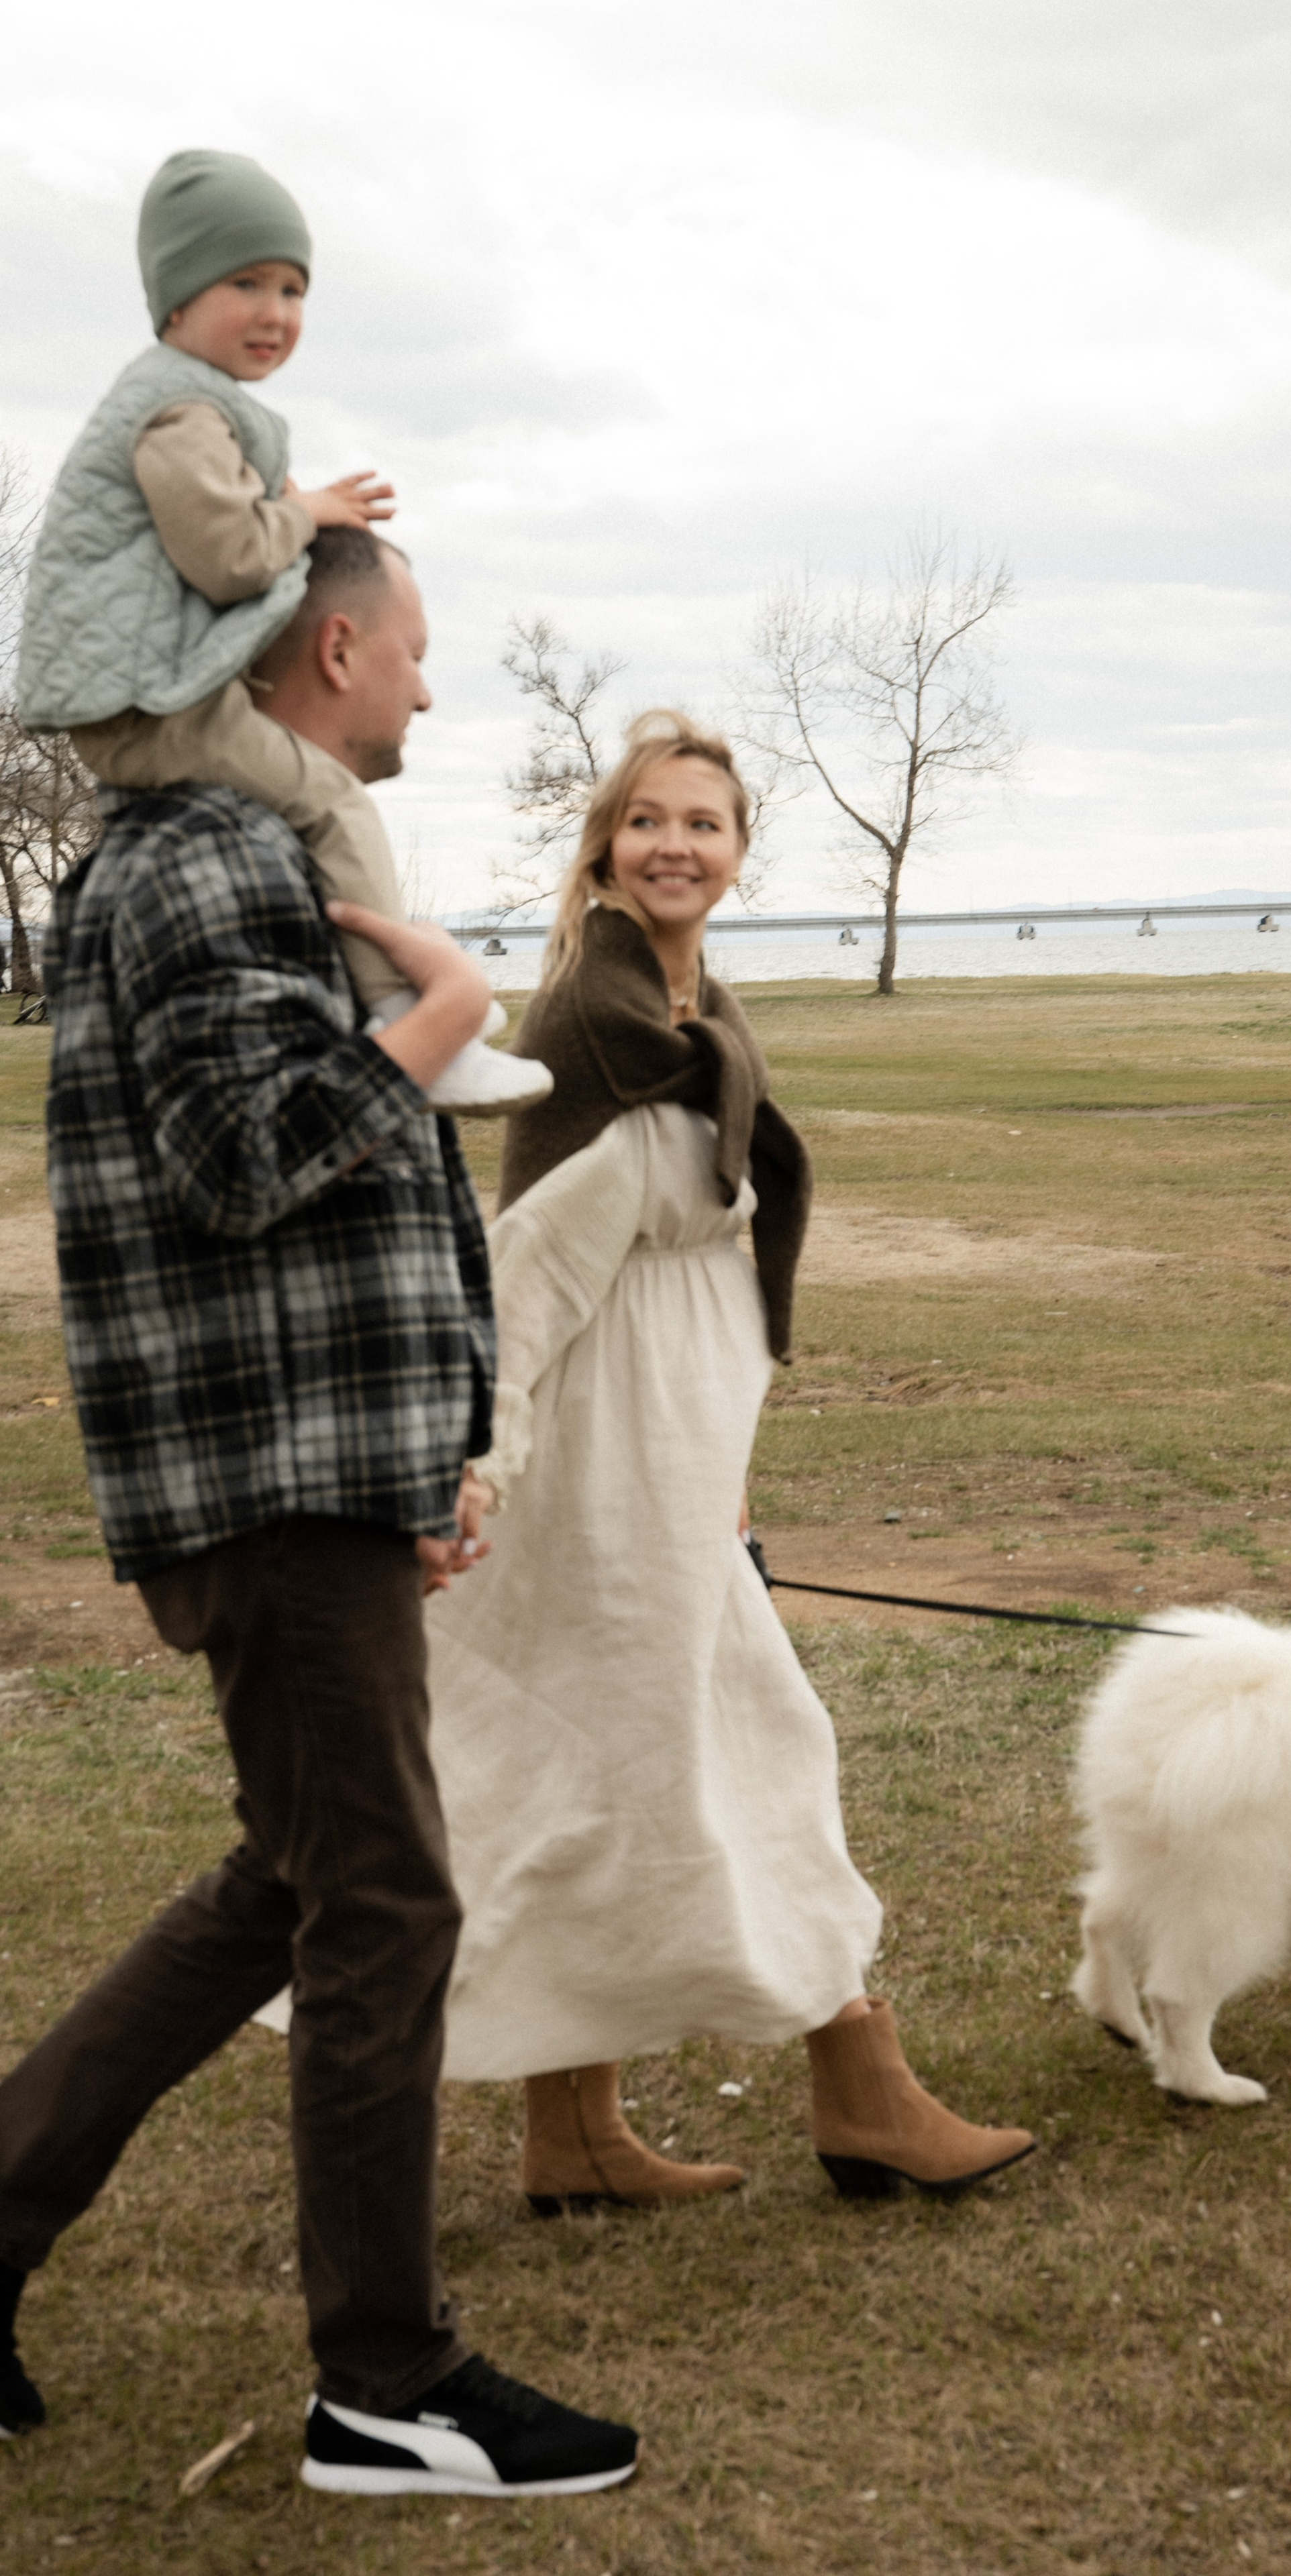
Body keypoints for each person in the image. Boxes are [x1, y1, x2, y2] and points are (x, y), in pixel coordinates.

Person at [0, 529, 637, 2500]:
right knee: (382, 1898)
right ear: (335, 646)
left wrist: (426, 1451)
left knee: (290, 1882)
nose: (431, 694)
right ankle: (387, 2380)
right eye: (421, 655)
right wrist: (446, 1008)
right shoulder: (205, 855)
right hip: (264, 1485)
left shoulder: (260, 859)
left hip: (309, 1475)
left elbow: (331, 1200)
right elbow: (241, 1155)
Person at [421, 710, 1038, 2208]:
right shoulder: (589, 1031)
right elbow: (528, 1280)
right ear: (605, 850)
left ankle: (575, 2133)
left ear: (739, 852)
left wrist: (725, 1468)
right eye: (647, 822)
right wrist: (472, 1461)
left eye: (703, 823)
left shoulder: (704, 1020)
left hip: (675, 1474)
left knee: (623, 1775)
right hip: (595, 1484)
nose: (675, 845)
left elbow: (707, 1270)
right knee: (723, 1757)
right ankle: (857, 2089)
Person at [14, 144, 548, 1118]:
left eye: (295, 288)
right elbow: (227, 554)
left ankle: (387, 991)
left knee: (309, 793)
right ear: (174, 300)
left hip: (147, 686)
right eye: (246, 282)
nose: (276, 312)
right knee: (334, 802)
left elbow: (213, 528)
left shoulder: (192, 407)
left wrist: (294, 498)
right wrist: (310, 512)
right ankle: (408, 1014)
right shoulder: (176, 411)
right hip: (142, 708)